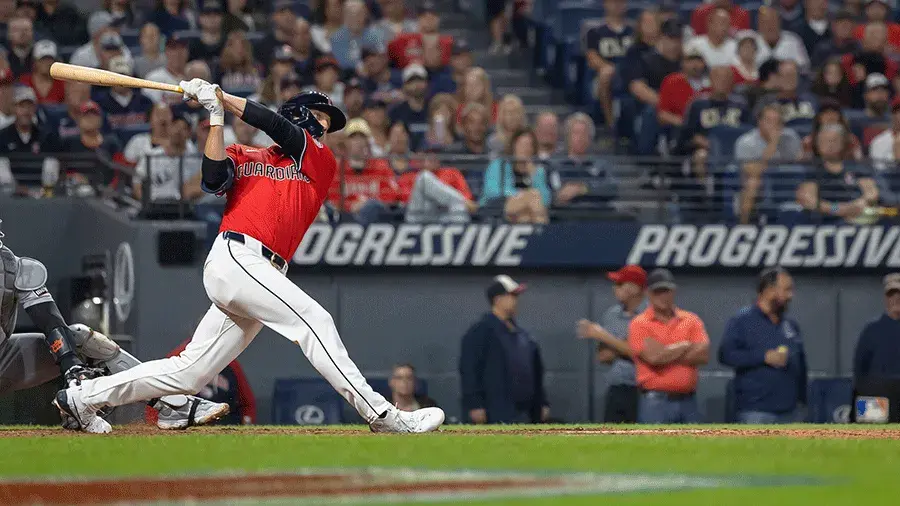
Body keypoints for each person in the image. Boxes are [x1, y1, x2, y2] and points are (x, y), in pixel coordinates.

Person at [55, 79, 445, 434]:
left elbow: (278, 127)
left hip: (258, 271)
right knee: (315, 320)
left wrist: (223, 99)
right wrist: (215, 116)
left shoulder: (319, 161)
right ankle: (382, 415)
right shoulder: (247, 154)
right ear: (300, 111)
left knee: (189, 373)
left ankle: (84, 396)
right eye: (320, 116)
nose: (325, 126)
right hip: (237, 256)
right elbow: (212, 178)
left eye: (328, 120)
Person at [0, 221, 226, 434]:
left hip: (3, 359)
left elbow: (50, 322)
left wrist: (72, 367)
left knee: (81, 340)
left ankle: (174, 404)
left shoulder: (13, 268)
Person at [719, 267, 808, 424]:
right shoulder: (742, 321)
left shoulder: (790, 325)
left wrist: (803, 401)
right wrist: (763, 357)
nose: (790, 296)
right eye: (786, 290)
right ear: (769, 290)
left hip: (791, 411)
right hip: (756, 412)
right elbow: (726, 354)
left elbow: (802, 365)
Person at [459, 275, 550, 424]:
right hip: (496, 409)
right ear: (497, 299)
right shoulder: (481, 331)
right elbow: (469, 369)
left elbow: (536, 371)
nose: (516, 300)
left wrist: (542, 402)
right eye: (512, 295)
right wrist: (475, 404)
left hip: (526, 411)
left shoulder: (522, 334)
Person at [628, 269, 709, 424]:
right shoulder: (640, 323)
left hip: (688, 401)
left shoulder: (690, 320)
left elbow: (703, 355)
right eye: (658, 292)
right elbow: (653, 357)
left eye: (666, 291)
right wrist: (685, 345)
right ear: (648, 293)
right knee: (654, 448)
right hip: (655, 402)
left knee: (693, 448)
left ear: (674, 291)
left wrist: (665, 352)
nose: (663, 296)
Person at [577, 265, 648, 424]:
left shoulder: (649, 314)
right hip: (616, 388)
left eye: (619, 284)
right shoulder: (611, 315)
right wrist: (623, 345)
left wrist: (602, 335)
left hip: (644, 392)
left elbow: (641, 353)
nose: (614, 289)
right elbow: (603, 356)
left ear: (634, 288)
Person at [145, 340, 257, 426]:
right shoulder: (179, 358)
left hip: (227, 426)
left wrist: (246, 421)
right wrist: (156, 425)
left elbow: (248, 402)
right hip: (188, 426)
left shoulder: (230, 363)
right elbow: (156, 398)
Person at [735, 101, 802, 224]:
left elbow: (800, 164)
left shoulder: (791, 137)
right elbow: (753, 171)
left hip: (786, 184)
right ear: (759, 122)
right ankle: (743, 226)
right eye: (769, 121)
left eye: (778, 122)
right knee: (752, 184)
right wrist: (773, 143)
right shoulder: (746, 142)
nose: (774, 126)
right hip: (759, 186)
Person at [796, 124, 880, 223]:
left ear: (843, 143)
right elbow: (809, 200)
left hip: (857, 219)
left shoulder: (857, 168)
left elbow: (872, 192)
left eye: (834, 140)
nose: (830, 145)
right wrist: (838, 209)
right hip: (825, 221)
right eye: (825, 141)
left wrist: (861, 203)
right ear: (818, 144)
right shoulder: (811, 170)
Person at [327, 118, 398, 223]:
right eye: (353, 138)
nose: (358, 142)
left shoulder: (380, 166)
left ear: (367, 142)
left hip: (376, 220)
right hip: (346, 219)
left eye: (362, 138)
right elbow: (332, 198)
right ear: (346, 142)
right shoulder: (337, 168)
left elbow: (392, 195)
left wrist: (367, 203)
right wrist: (351, 205)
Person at [480, 128, 551, 224]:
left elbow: (546, 200)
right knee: (533, 196)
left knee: (525, 218)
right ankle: (544, 234)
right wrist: (522, 196)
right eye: (521, 144)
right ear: (514, 146)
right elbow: (492, 191)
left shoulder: (538, 171)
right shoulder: (499, 165)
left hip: (523, 213)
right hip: (497, 206)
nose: (525, 149)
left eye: (529, 145)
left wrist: (535, 175)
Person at [584, 0, 634, 126]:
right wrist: (609, 67)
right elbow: (592, 57)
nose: (618, 4)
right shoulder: (595, 31)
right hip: (608, 74)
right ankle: (610, 123)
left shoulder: (634, 30)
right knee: (605, 74)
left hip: (631, 73)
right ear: (605, 4)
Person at [133, 112, 199, 202]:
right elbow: (137, 183)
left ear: (189, 133)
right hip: (153, 206)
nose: (178, 131)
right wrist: (146, 205)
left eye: (184, 128)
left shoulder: (194, 159)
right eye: (175, 125)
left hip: (182, 209)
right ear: (169, 128)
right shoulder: (152, 155)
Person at [401, 144, 475, 223]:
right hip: (418, 217)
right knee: (424, 177)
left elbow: (467, 197)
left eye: (435, 153)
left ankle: (460, 234)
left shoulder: (451, 172)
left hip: (442, 216)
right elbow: (407, 200)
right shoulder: (410, 175)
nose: (433, 157)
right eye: (428, 154)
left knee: (460, 207)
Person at [854, 273, 900, 381]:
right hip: (879, 396)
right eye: (892, 294)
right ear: (886, 298)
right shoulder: (871, 332)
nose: (897, 298)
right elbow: (860, 376)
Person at [330, 0, 384, 72]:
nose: (355, 18)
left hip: (374, 75)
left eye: (358, 14)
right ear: (343, 16)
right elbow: (341, 63)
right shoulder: (336, 38)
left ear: (365, 15)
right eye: (350, 14)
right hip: (348, 76)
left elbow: (381, 56)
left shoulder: (376, 34)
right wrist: (361, 66)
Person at [389, 63, 430, 151]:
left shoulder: (433, 109)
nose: (416, 85)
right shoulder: (396, 113)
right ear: (404, 86)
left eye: (420, 80)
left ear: (426, 83)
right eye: (411, 81)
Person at [145, 33, 190, 105]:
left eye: (181, 48)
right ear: (166, 52)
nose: (177, 53)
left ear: (187, 51)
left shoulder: (195, 77)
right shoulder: (154, 78)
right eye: (173, 48)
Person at [19, 39, 63, 104]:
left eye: (49, 59)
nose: (46, 63)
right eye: (43, 59)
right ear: (35, 61)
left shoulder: (61, 83)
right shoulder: (24, 81)